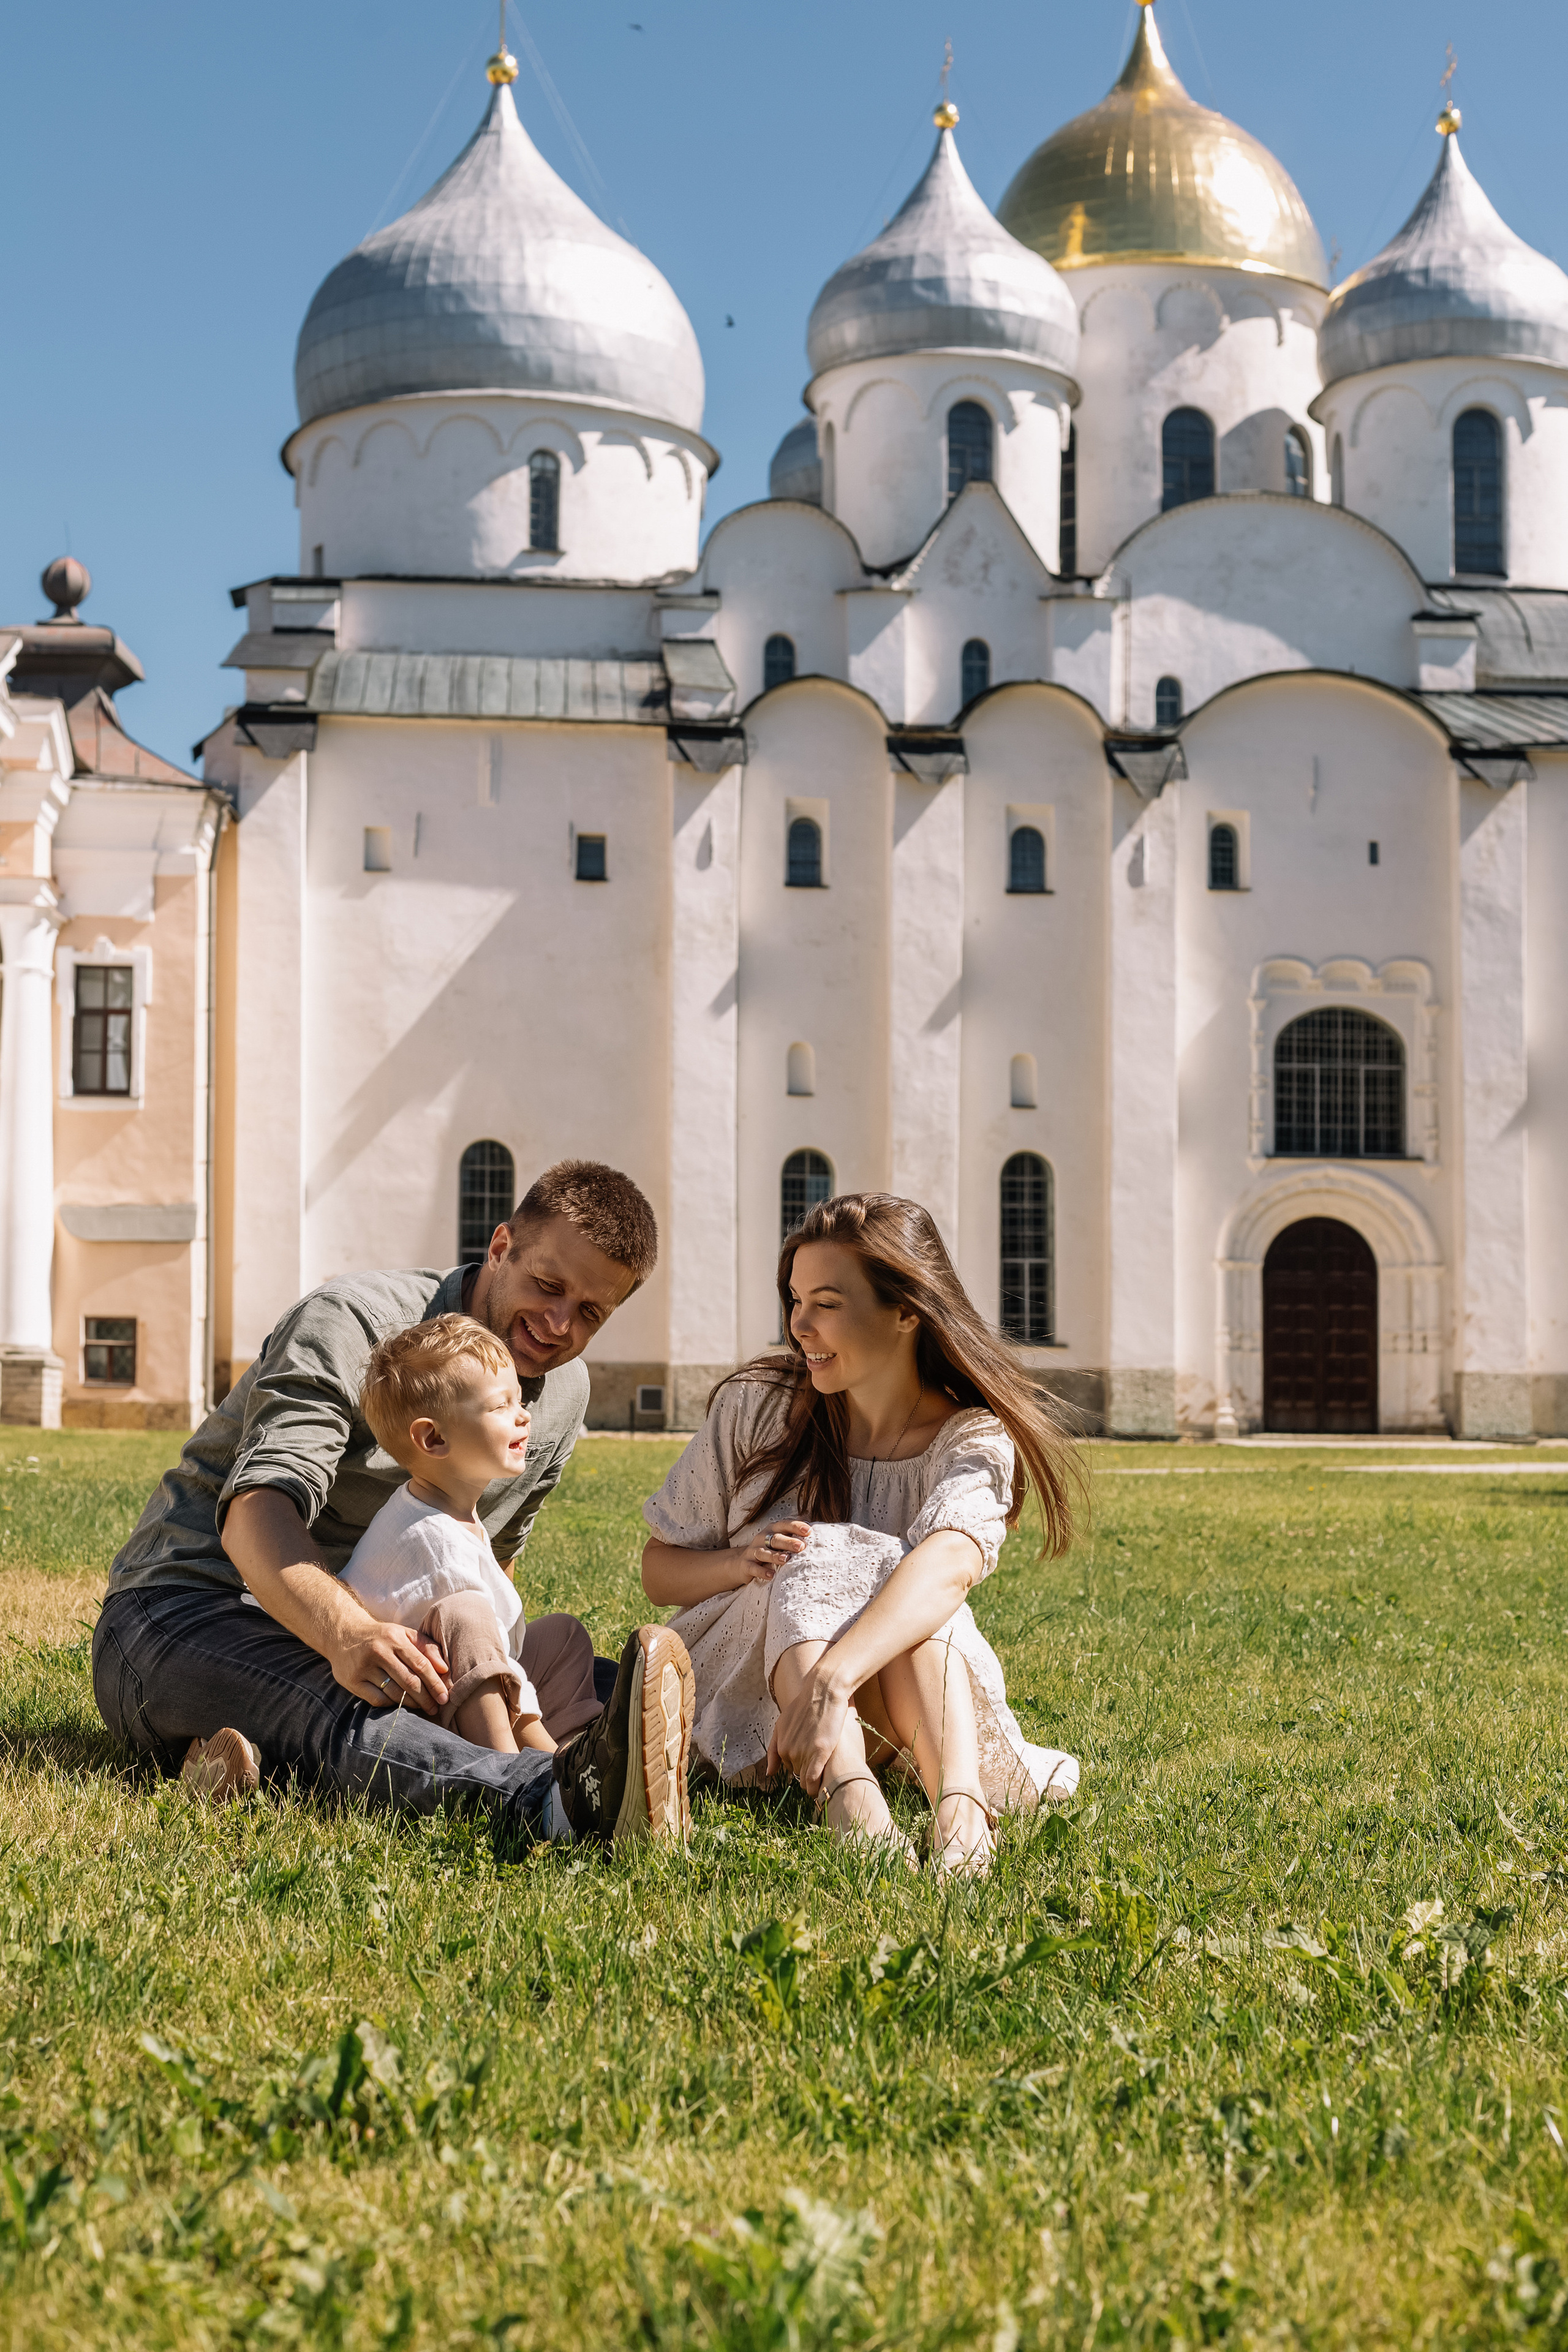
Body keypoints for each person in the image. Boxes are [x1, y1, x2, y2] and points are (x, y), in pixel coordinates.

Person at [92, 1160, 695, 1850]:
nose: (559, 1324)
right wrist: (348, 1636)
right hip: (190, 1611)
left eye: (590, 1313)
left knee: (612, 1687)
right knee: (340, 1703)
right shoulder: (353, 1324)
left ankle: (246, 1759)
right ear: (501, 1247)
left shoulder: (563, 1393)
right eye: (548, 1286)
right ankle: (544, 1800)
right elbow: (256, 1511)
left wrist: (483, 1680)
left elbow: (487, 1567)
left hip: (391, 1638)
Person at [641, 1192, 1080, 1875]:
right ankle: (852, 1802)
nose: (799, 1325)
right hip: (752, 1690)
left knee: (914, 1584)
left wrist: (834, 1678)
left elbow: (951, 1564)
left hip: (896, 1706)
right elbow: (658, 1571)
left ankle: (960, 1807)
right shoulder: (759, 1405)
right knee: (819, 1548)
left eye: (827, 1303)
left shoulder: (970, 1438)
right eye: (795, 1300)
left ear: (907, 1310)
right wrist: (740, 1561)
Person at [341, 1314, 558, 1758]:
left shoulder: (444, 1509)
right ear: (434, 1438)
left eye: (519, 1400)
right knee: (468, 1616)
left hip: (458, 1687)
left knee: (563, 1637)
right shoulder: (434, 1545)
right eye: (501, 1406)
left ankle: (583, 1750)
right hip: (408, 1712)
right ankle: (521, 1773)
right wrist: (548, 1753)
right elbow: (477, 1649)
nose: (523, 1416)